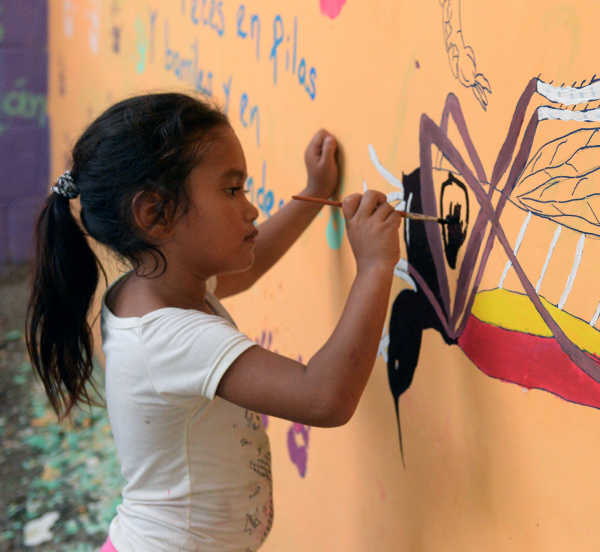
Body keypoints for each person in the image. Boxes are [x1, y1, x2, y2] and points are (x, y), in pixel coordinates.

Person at [26, 92, 402, 552]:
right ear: (155, 213)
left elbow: (250, 263)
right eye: (231, 189)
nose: (250, 208)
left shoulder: (155, 287)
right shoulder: (169, 337)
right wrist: (375, 267)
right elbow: (324, 398)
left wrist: (314, 192)